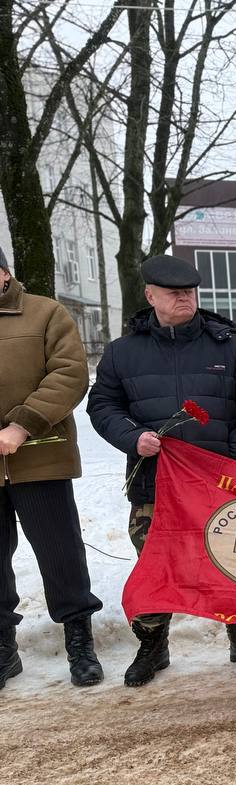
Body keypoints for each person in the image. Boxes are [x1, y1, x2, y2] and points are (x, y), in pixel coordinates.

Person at [88, 254, 236, 685]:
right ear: (150, 296)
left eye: (190, 292)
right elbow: (102, 406)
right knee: (157, 565)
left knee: (232, 558)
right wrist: (133, 437)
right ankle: (153, 645)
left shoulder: (230, 347)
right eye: (174, 293)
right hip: (154, 484)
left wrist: (232, 456)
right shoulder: (123, 353)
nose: (185, 299)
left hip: (220, 484)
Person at [0, 246, 103, 689]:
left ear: (4, 273)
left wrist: (21, 425)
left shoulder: (45, 313)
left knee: (60, 554)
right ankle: (4, 649)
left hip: (41, 456)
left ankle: (79, 640)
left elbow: (69, 374)